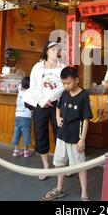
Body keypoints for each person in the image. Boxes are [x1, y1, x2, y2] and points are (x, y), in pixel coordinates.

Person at [43, 67, 93, 201]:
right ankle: (59, 188)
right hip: (62, 136)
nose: (66, 86)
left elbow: (86, 119)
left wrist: (82, 139)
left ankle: (84, 194)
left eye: (68, 83)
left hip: (75, 138)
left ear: (76, 80)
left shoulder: (84, 96)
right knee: (59, 163)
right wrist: (58, 118)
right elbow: (58, 107)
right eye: (63, 83)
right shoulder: (64, 94)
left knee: (81, 166)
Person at [23, 41, 65, 180]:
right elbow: (33, 86)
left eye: (57, 49)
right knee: (41, 133)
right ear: (46, 51)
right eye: (52, 49)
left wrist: (50, 98)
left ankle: (62, 166)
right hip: (40, 104)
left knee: (60, 133)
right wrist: (42, 100)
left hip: (57, 104)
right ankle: (46, 166)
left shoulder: (62, 68)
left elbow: (64, 86)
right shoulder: (38, 67)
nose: (55, 51)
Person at [12, 76, 32, 158]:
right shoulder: (30, 92)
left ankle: (16, 151)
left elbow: (20, 85)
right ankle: (26, 151)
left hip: (17, 115)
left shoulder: (20, 90)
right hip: (26, 116)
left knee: (17, 132)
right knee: (26, 133)